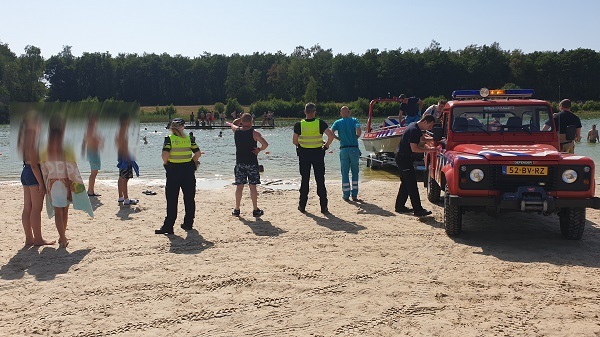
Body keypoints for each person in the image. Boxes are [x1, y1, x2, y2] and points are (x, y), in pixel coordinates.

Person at [40, 115, 93, 248]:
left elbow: (43, 168)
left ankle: (62, 236)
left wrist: (45, 182)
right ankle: (62, 237)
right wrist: (76, 183)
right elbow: (72, 166)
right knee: (65, 210)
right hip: (66, 181)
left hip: (52, 182)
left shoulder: (44, 147)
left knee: (59, 210)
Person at [155, 118, 201, 234]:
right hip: (188, 170)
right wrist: (191, 162)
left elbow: (164, 154)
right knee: (189, 198)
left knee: (172, 199)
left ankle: (169, 226)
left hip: (174, 170)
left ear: (171, 128)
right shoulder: (189, 139)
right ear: (183, 127)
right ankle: (188, 224)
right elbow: (198, 153)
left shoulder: (169, 139)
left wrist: (166, 163)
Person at [18, 111, 54, 246]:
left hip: (25, 172)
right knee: (36, 209)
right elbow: (34, 165)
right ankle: (38, 239)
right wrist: (41, 184)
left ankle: (29, 238)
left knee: (27, 207)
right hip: (34, 174)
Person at [292, 102, 335, 214]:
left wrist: (300, 145)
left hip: (304, 154)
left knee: (305, 179)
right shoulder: (320, 123)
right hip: (318, 153)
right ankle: (323, 207)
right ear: (314, 112)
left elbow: (294, 141)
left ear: (305, 112)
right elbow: (331, 136)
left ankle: (302, 206)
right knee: (320, 179)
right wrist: (325, 146)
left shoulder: (299, 125)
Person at [394, 114, 436, 217]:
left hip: (401, 157)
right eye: (430, 126)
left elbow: (422, 139)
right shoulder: (414, 130)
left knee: (405, 183)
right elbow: (415, 149)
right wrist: (430, 150)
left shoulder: (415, 125)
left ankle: (399, 206)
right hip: (404, 159)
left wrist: (434, 139)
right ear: (425, 121)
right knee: (412, 184)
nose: (430, 128)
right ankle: (418, 210)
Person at [229, 113, 269, 217]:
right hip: (251, 163)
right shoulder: (254, 133)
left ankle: (237, 209)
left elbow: (233, 123)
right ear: (251, 122)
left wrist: (240, 119)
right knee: (253, 187)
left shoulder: (236, 131)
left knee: (239, 187)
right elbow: (265, 144)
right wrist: (259, 149)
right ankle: (255, 209)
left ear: (242, 121)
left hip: (240, 163)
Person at [330, 106, 361, 201]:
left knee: (345, 172)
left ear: (340, 113)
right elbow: (359, 130)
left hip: (344, 149)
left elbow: (331, 132)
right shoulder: (354, 120)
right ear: (349, 112)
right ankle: (354, 194)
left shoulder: (338, 122)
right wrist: (356, 136)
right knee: (355, 172)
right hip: (354, 149)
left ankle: (346, 194)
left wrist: (337, 138)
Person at [116, 114, 139, 206]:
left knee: (121, 177)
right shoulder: (122, 132)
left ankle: (121, 197)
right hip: (125, 157)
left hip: (121, 156)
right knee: (125, 179)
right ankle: (126, 199)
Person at [81, 115, 104, 197]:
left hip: (91, 152)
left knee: (93, 172)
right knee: (94, 173)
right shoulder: (92, 129)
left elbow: (84, 142)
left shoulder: (88, 129)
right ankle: (90, 191)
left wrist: (83, 151)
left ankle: (90, 190)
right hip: (93, 153)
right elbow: (96, 141)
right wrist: (101, 140)